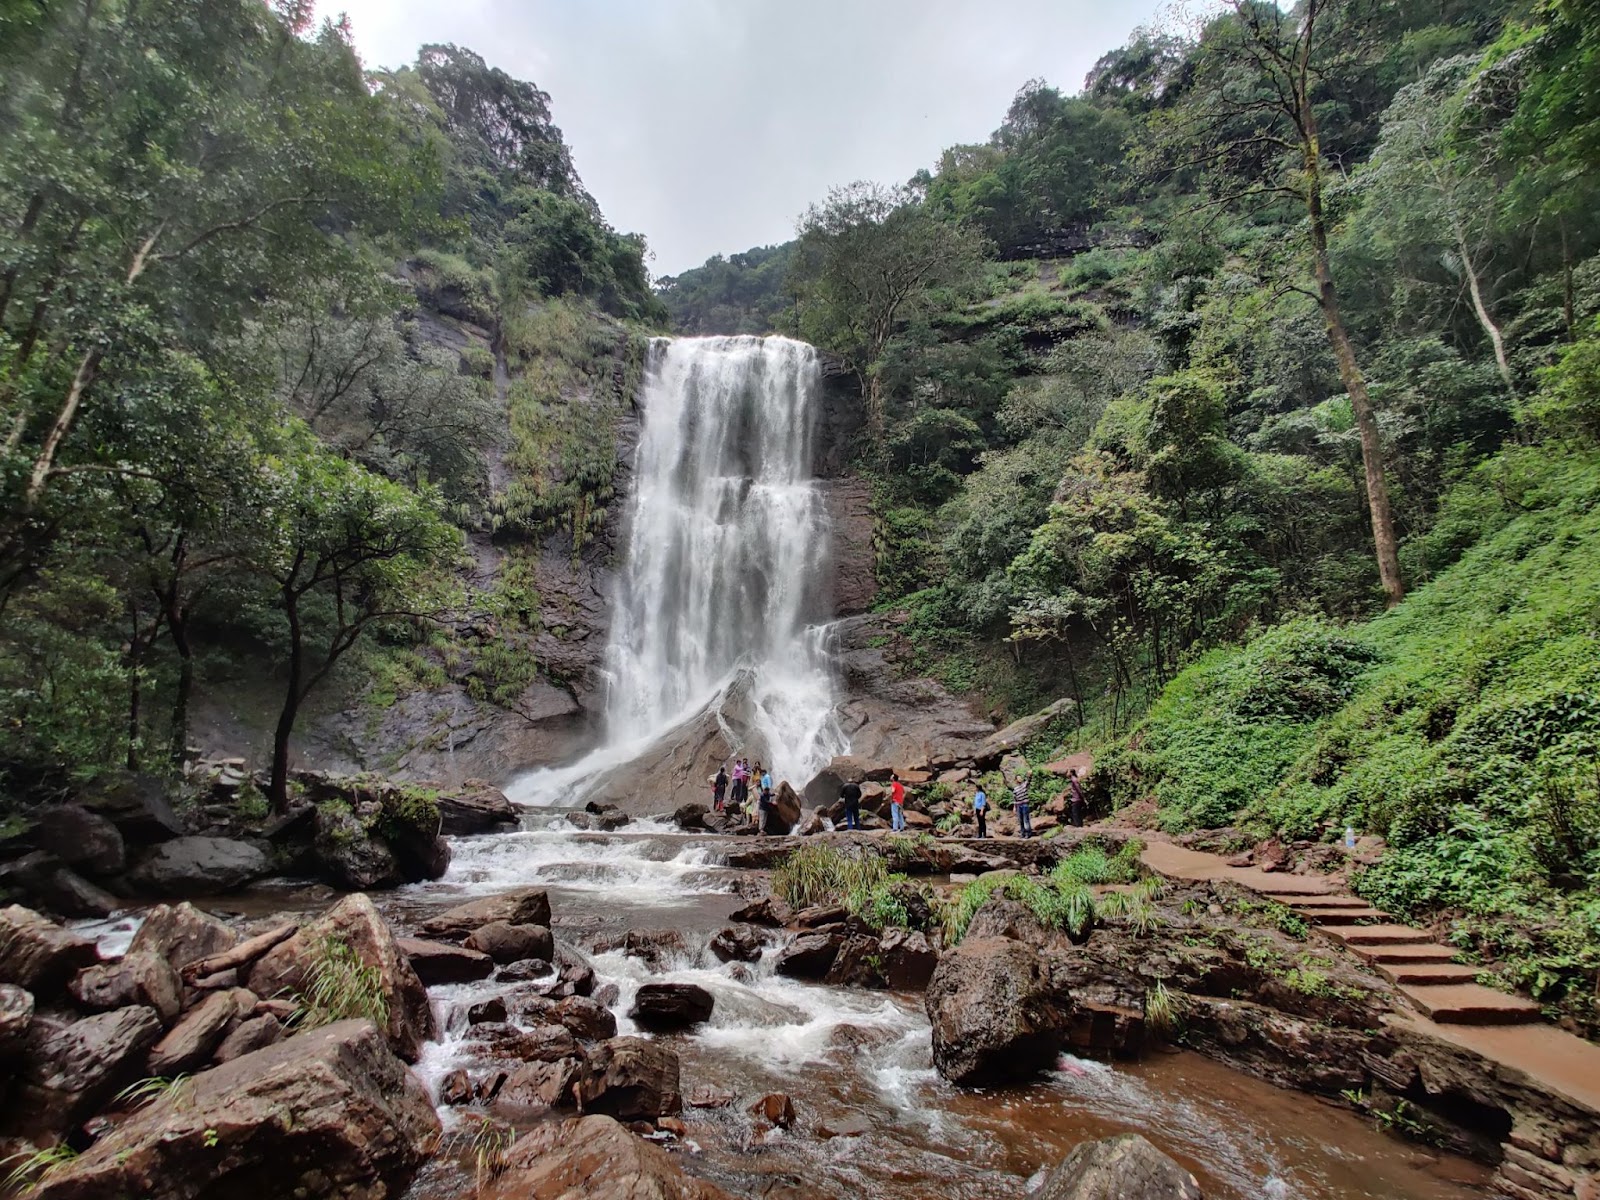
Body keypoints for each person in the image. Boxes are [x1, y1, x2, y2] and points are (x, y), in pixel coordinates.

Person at [1012, 772, 1033, 839]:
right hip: (1018, 806)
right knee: (1020, 820)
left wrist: (1029, 775)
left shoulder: (1024, 785)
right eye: (1018, 778)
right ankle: (1022, 833)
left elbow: (1029, 781)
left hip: (1025, 804)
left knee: (1026, 819)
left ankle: (1028, 833)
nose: (1019, 779)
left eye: (1020, 777)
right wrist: (1014, 808)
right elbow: (1015, 799)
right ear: (1016, 780)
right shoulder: (1015, 789)